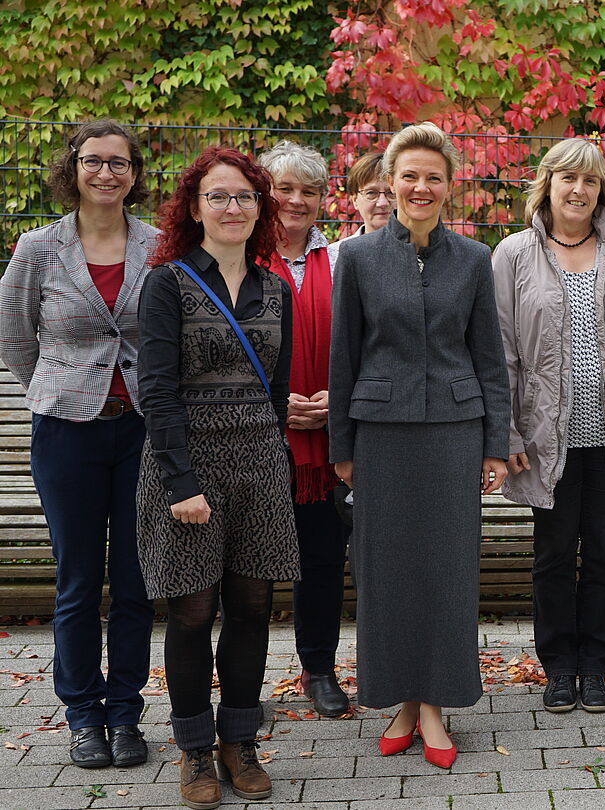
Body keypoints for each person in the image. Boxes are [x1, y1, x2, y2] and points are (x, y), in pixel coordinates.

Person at [329, 122, 510, 769]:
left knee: (445, 570)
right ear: (391, 182)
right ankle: (402, 699)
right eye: (410, 175)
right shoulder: (356, 259)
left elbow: (489, 360)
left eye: (434, 175)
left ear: (449, 185)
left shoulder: (474, 259)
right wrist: (341, 446)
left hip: (454, 438)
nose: (421, 186)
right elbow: (342, 359)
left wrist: (495, 443)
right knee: (388, 573)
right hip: (378, 439)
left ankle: (433, 705)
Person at [136, 147, 300, 808]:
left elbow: (280, 391)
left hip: (259, 461)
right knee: (194, 607)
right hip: (190, 465)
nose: (232, 208)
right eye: (218, 196)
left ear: (260, 208)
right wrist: (181, 484)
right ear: (194, 207)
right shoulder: (167, 282)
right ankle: (196, 750)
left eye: (244, 197)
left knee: (254, 605)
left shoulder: (276, 289)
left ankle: (240, 740)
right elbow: (156, 392)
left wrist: (277, 459)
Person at [0, 120, 158, 770]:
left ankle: (125, 715)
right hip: (66, 433)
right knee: (77, 581)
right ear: (74, 168)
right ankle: (82, 717)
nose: (106, 173)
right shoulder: (40, 247)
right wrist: (61, 388)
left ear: (133, 173)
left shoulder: (159, 245)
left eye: (118, 163)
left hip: (141, 431)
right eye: (94, 161)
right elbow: (14, 337)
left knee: (135, 581)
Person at [493, 138, 605, 714]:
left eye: (590, 181)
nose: (579, 190)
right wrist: (507, 432)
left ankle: (595, 666)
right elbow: (502, 352)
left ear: (602, 189)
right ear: (548, 184)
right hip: (546, 440)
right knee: (555, 555)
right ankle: (558, 667)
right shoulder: (513, 254)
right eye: (568, 179)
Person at [257, 141, 352, 718]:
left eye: (309, 190)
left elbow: (366, 347)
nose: (295, 200)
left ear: (323, 198)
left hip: (327, 443)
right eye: (283, 188)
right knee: (250, 565)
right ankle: (240, 681)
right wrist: (275, 405)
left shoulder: (344, 260)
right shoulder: (234, 255)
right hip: (256, 440)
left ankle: (318, 669)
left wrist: (333, 405)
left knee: (322, 561)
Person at [329, 151, 392, 260]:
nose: (382, 202)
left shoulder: (421, 252)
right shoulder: (334, 256)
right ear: (355, 201)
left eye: (391, 193)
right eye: (371, 193)